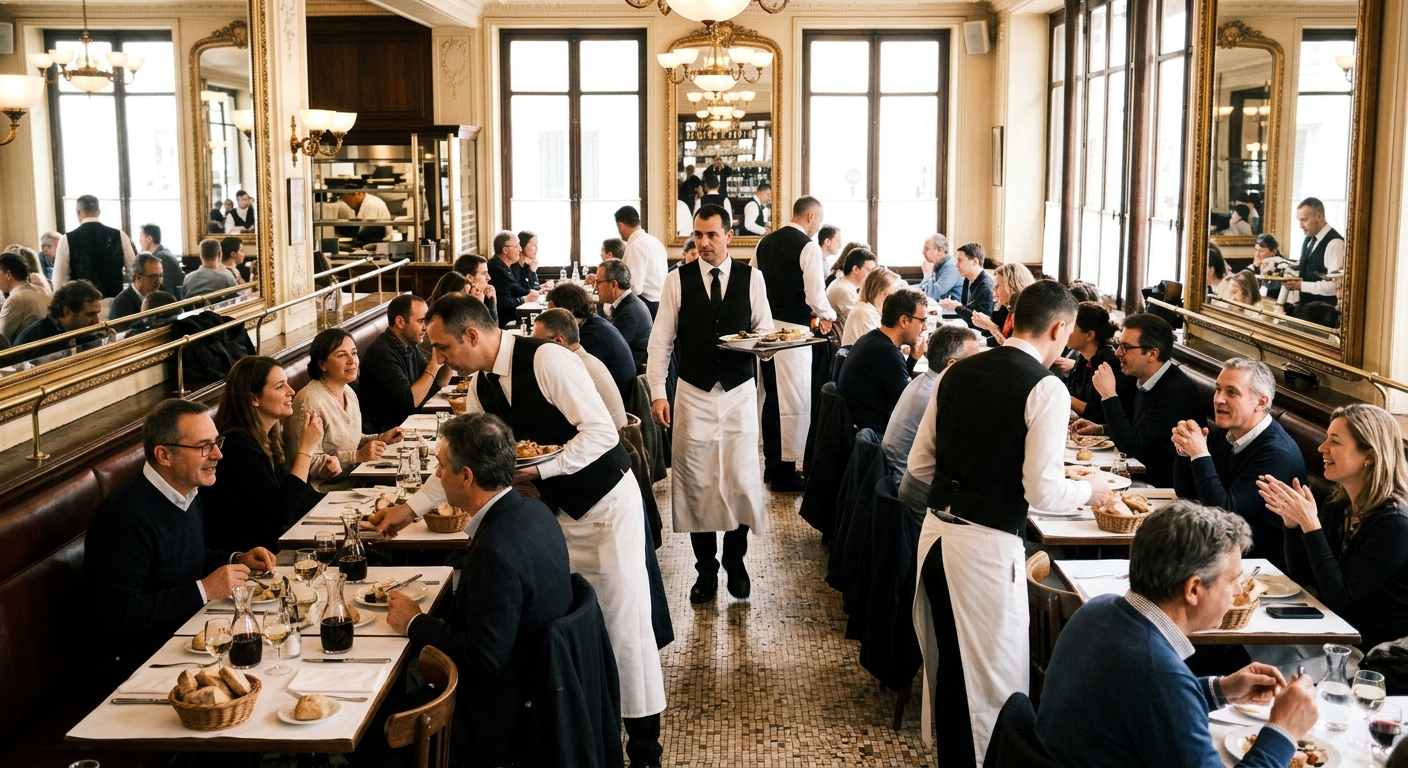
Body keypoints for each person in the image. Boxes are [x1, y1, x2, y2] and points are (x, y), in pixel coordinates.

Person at [376, 295, 666, 765]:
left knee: (622, 628)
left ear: (472, 335)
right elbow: (459, 457)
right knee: (570, 631)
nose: (440, 359)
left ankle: (646, 750)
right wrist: (408, 510)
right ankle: (589, 734)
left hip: (605, 507)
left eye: (443, 347)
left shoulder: (547, 359)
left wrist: (539, 469)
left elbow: (601, 433)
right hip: (554, 515)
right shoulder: (481, 386)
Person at [912, 279, 1111, 766]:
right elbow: (1043, 491)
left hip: (934, 538)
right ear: (1059, 328)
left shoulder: (955, 372)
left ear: (1016, 317)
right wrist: (1091, 491)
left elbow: (919, 466)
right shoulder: (1046, 387)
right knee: (994, 685)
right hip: (983, 548)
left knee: (953, 670)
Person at [1034, 501, 1319, 768]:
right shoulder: (1160, 675)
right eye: (1233, 580)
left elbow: (1143, 703)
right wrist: (1283, 729)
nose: (1238, 591)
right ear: (1193, 589)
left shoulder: (1098, 608)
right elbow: (1160, 690)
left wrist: (1221, 690)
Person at [380, 413, 573, 768]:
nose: (438, 475)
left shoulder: (495, 553)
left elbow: (484, 658)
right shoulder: (536, 512)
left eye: (441, 467)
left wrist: (415, 622)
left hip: (494, 718)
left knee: (374, 732)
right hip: (538, 685)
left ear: (466, 477)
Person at [85, 398, 278, 687]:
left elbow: (182, 558)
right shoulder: (124, 517)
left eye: (217, 442)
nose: (218, 455)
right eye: (204, 447)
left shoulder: (186, 490)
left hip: (187, 638)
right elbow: (117, 615)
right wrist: (204, 590)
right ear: (164, 455)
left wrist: (236, 559)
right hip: (141, 665)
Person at [647, 203, 772, 605]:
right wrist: (658, 392)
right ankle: (705, 570)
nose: (703, 243)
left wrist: (763, 346)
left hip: (738, 394)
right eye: (698, 235)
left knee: (740, 480)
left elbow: (766, 331)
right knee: (697, 484)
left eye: (712, 235)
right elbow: (661, 342)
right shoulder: (677, 281)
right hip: (694, 394)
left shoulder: (752, 279)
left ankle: (736, 559)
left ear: (729, 236)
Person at [1258, 404, 1408, 651]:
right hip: (1330, 627)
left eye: (1335, 441)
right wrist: (1293, 524)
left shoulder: (1395, 524)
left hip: (1370, 648)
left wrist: (1310, 524)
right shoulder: (1338, 503)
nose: (1322, 448)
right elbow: (1303, 579)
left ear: (1369, 456)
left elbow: (1339, 597)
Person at [1173, 358, 1307, 570]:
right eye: (1218, 389)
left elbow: (1223, 514)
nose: (1219, 399)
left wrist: (1199, 455)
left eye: (1232, 392)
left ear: (1260, 403)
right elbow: (1187, 493)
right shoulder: (1229, 432)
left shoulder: (1275, 453)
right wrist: (1184, 452)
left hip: (1260, 567)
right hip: (1219, 551)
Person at [202, 356, 330, 553]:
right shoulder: (237, 447)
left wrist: (344, 507)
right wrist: (306, 449)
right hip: (249, 558)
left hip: (270, 547)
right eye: (280, 387)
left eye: (287, 383)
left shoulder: (266, 437)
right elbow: (281, 513)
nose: (291, 391)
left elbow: (297, 495)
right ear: (254, 398)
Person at [754, 196, 837, 492]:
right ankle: (785, 471)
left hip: (765, 332)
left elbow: (754, 284)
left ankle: (772, 464)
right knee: (793, 401)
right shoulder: (808, 246)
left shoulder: (764, 242)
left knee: (771, 398)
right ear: (810, 216)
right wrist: (829, 315)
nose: (817, 227)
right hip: (793, 334)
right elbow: (815, 294)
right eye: (818, 220)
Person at [1072, 312, 1205, 488]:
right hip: (1141, 475)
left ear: (1152, 354)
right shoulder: (1143, 379)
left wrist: (1109, 395)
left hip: (1162, 487)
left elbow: (1131, 445)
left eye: (1126, 347)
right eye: (1118, 345)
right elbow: (1138, 431)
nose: (1118, 352)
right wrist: (1101, 429)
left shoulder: (1175, 392)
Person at [285, 328, 405, 490]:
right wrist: (357, 456)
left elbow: (350, 440)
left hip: (355, 482)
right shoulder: (309, 402)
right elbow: (305, 462)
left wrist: (381, 438)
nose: (352, 360)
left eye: (354, 353)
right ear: (322, 364)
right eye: (342, 355)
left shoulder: (348, 391)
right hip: (321, 492)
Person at [886, 326, 981, 515]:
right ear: (951, 365)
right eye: (975, 362)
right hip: (913, 492)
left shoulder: (922, 380)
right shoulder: (937, 397)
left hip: (901, 477)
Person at [836, 289, 927, 436]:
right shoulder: (886, 353)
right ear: (903, 321)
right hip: (873, 438)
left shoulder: (871, 338)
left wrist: (913, 358)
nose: (925, 327)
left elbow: (897, 385)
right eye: (922, 321)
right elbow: (909, 405)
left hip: (859, 431)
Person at [359, 295, 452, 433]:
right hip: (384, 434)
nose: (425, 327)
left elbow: (439, 382)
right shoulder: (381, 353)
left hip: (407, 425)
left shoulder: (409, 344)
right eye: (421, 321)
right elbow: (409, 403)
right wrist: (434, 364)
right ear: (400, 322)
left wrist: (447, 350)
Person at [533, 308, 628, 430]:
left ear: (558, 340)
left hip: (611, 438)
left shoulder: (573, 368)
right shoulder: (585, 358)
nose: (535, 348)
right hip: (615, 431)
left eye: (537, 342)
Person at [547, 281, 637, 399]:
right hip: (619, 391)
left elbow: (574, 376)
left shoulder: (590, 335)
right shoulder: (593, 322)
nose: (549, 317)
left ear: (565, 310)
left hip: (618, 399)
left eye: (551, 311)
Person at [53, 194, 136, 301]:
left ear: (78, 212)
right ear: (98, 211)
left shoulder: (67, 239)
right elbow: (133, 272)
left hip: (82, 303)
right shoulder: (119, 235)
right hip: (114, 301)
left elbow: (60, 280)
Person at [13, 279, 103, 362]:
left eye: (97, 313)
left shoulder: (84, 333)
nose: (96, 321)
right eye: (90, 314)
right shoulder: (35, 341)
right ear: (68, 312)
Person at [1062, 301, 1122, 421]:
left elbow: (1102, 414)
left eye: (1071, 326)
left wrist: (1063, 396)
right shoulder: (1083, 358)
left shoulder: (1109, 363)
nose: (1065, 331)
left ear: (1089, 335)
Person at [1283, 197, 1344, 308]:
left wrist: (1301, 285)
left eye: (1304, 220)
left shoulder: (1334, 243)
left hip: (1324, 312)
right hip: (1306, 308)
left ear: (1318, 217)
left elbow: (1334, 286)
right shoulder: (1309, 239)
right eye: (1299, 220)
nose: (1300, 226)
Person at [596, 258, 653, 371]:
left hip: (628, 374)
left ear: (613, 285)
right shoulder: (629, 303)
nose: (595, 287)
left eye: (598, 282)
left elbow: (610, 351)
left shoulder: (628, 314)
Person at [616, 205, 667, 317]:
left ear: (620, 225)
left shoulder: (636, 246)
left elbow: (635, 287)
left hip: (647, 306)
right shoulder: (656, 242)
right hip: (662, 304)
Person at [970, 262, 1035, 346]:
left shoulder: (1025, 313)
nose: (993, 289)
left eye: (998, 285)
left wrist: (991, 326)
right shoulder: (1010, 308)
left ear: (1011, 287)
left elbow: (1012, 348)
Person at [486, 230, 540, 328]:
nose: (520, 249)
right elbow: (503, 303)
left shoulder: (505, 267)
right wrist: (525, 299)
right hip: (505, 322)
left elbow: (517, 289)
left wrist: (535, 292)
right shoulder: (496, 269)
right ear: (505, 250)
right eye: (516, 246)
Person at [840, 263, 900, 346]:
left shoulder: (873, 310)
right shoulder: (864, 312)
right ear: (884, 293)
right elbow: (881, 345)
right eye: (895, 291)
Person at [937, 243, 994, 329]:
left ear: (975, 262)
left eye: (960, 260)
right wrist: (954, 306)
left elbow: (982, 325)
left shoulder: (986, 287)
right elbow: (967, 308)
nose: (956, 265)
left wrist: (957, 307)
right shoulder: (967, 280)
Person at [0, 251, 49, 342]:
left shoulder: (15, 299)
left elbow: (2, 338)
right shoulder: (43, 291)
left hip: (29, 349)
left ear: (8, 275)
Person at [824, 245, 875, 323]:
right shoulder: (843, 290)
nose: (871, 275)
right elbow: (862, 320)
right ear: (855, 269)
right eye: (869, 270)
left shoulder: (845, 284)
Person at [108, 252, 164, 320]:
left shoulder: (162, 293)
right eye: (153, 277)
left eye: (160, 276)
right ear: (138, 277)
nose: (159, 281)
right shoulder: (121, 304)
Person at [449, 255, 499, 324]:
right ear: (469, 277)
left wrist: (492, 303)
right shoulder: (457, 302)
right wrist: (478, 304)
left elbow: (494, 328)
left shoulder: (481, 294)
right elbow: (481, 330)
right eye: (483, 273)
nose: (488, 278)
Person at [138, 223, 184, 298]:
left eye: (141, 236)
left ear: (149, 239)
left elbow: (165, 290)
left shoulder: (160, 259)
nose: (139, 241)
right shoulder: (164, 252)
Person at [915, 233, 961, 302]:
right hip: (940, 305)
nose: (923, 252)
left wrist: (927, 274)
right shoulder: (937, 264)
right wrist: (904, 288)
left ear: (940, 251)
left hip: (951, 308)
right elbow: (922, 287)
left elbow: (932, 294)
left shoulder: (951, 267)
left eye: (927, 249)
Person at [1252, 233, 1290, 301]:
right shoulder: (1260, 265)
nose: (1257, 254)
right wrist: (1256, 269)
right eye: (1256, 250)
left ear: (1273, 252)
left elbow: (1271, 293)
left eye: (1261, 251)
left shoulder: (1281, 267)